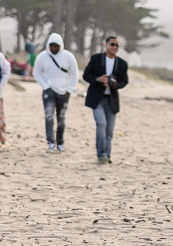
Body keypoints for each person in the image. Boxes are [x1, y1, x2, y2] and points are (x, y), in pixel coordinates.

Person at [82, 35, 129, 164]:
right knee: (101, 124)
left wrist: (115, 84)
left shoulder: (122, 64)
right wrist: (98, 79)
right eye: (112, 44)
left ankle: (107, 155)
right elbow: (86, 75)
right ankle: (101, 154)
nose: (114, 47)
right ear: (106, 45)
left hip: (112, 100)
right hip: (97, 99)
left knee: (109, 131)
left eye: (117, 45)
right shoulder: (96, 59)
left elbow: (124, 81)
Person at [33, 32, 79, 152]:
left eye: (56, 46)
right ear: (48, 45)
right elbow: (37, 73)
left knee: (61, 118)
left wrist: (70, 89)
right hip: (49, 91)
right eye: (52, 46)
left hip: (64, 91)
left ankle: (60, 142)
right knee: (49, 116)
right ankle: (50, 142)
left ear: (60, 45)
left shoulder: (68, 56)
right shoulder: (42, 56)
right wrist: (45, 86)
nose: (54, 48)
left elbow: (75, 73)